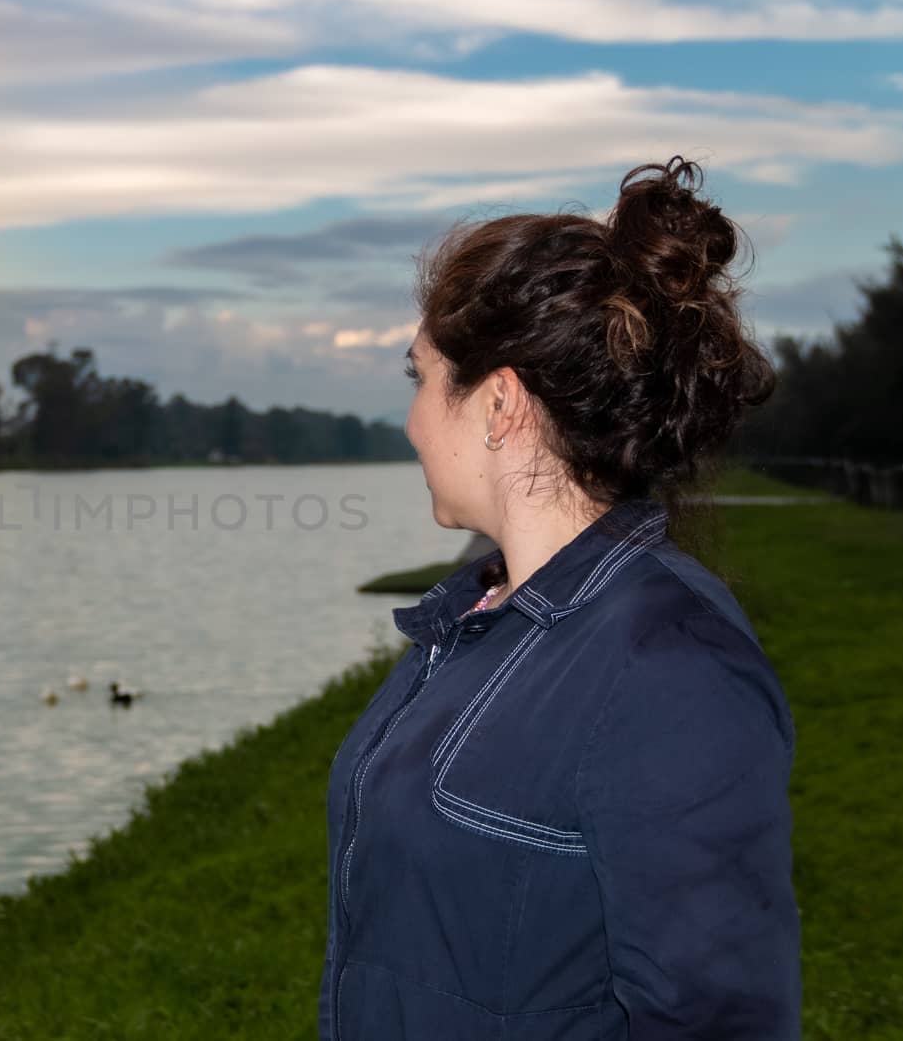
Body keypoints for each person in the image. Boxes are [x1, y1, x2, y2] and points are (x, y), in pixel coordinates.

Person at [320, 157, 801, 1039]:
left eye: (420, 379)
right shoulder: (477, 622)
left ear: (500, 403)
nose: (412, 420)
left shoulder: (670, 667)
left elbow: (717, 1018)